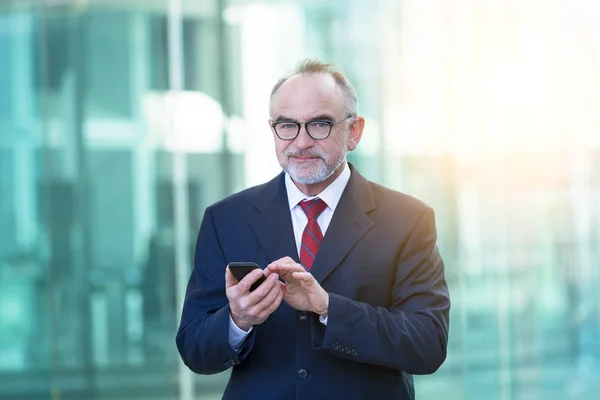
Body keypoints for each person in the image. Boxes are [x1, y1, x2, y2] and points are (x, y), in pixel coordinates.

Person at [176, 59, 450, 399]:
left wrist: (327, 307)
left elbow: (428, 344)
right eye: (287, 125)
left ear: (354, 131)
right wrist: (237, 320)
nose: (301, 142)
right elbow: (193, 349)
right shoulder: (226, 218)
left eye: (319, 124)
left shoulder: (408, 219)